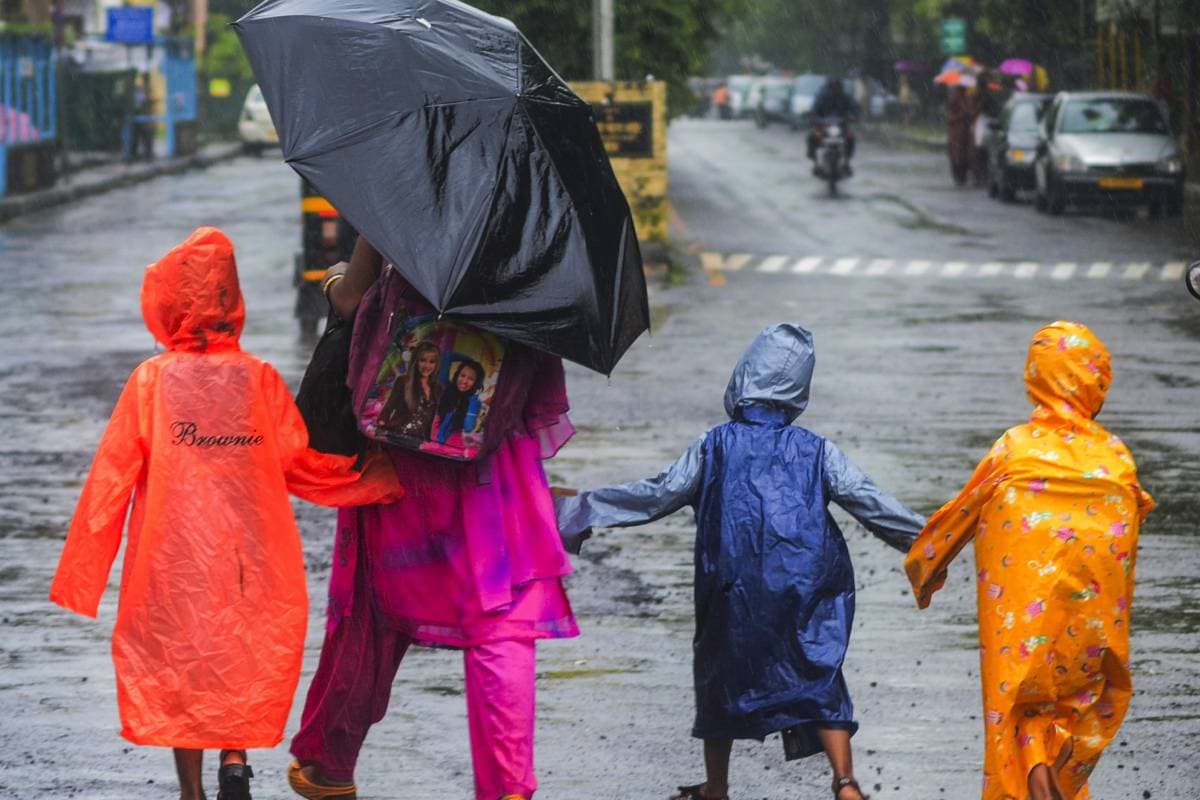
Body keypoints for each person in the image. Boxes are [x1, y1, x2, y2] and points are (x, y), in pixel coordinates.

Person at [48, 228, 404, 800]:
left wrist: (81, 578)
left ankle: (191, 792)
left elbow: (109, 482)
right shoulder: (256, 378)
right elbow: (298, 461)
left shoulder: (150, 384)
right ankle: (234, 758)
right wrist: (375, 480)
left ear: (166, 303)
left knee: (183, 667)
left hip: (172, 560)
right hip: (249, 553)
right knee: (238, 651)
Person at [555, 324, 925, 800]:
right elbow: (868, 500)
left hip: (733, 583)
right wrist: (934, 538)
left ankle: (717, 787)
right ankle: (846, 781)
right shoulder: (817, 450)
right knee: (818, 672)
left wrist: (579, 508)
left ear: (743, 379)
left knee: (720, 676)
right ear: (797, 391)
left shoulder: (715, 445)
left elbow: (657, 494)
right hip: (806, 580)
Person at [288, 237, 579, 800]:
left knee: (371, 605)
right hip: (492, 461)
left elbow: (354, 301)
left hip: (399, 458)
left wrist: (335, 278)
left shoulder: (400, 200)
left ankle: (330, 761)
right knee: (502, 619)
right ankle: (508, 787)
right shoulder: (530, 223)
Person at [905, 321, 1155, 800]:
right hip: (1093, 607)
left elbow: (961, 512)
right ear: (1096, 381)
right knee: (1074, 700)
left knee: (1018, 699)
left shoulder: (1015, 448)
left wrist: (925, 566)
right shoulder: (1116, 458)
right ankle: (1053, 779)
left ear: (1036, 376)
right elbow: (1133, 516)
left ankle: (1036, 781)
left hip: (1022, 605)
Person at [377, 340, 442, 439]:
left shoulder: (438, 388)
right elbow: (388, 408)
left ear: (437, 364)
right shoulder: (403, 381)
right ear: (415, 361)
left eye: (432, 362)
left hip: (418, 443)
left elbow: (430, 419)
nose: (427, 366)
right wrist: (380, 431)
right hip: (395, 436)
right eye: (423, 360)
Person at [807, 76, 861, 165]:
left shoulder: (846, 97)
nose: (834, 90)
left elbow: (855, 108)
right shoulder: (821, 96)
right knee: (812, 136)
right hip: (823, 125)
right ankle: (814, 158)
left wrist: (856, 116)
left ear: (840, 87)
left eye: (836, 87)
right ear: (828, 87)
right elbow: (814, 109)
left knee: (851, 138)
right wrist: (813, 118)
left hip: (841, 125)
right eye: (831, 87)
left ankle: (847, 159)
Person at [433, 358, 484, 444]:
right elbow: (447, 356)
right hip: (431, 436)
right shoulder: (445, 388)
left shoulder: (474, 402)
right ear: (457, 375)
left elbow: (468, 427)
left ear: (477, 383)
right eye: (462, 375)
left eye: (471, 379)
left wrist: (472, 405)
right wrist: (469, 360)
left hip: (451, 442)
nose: (464, 381)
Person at [946, 85, 975, 186]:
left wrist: (969, 114)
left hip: (966, 133)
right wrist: (961, 115)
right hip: (957, 134)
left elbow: (972, 113)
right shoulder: (955, 101)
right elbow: (951, 117)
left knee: (966, 155)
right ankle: (958, 176)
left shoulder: (968, 100)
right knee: (957, 156)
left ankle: (964, 174)